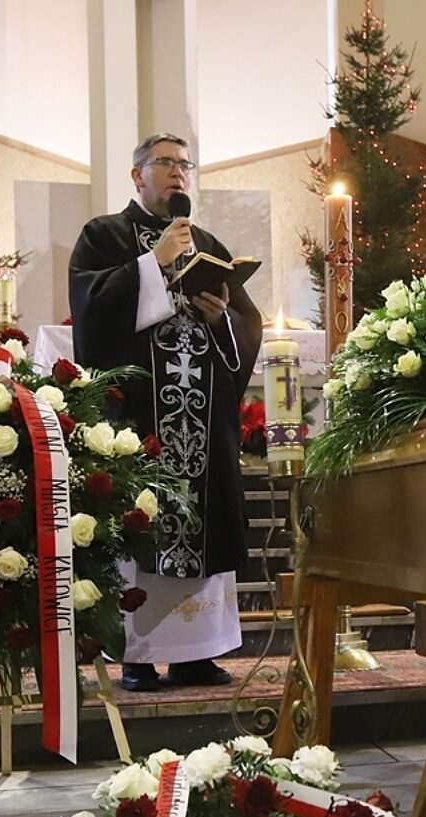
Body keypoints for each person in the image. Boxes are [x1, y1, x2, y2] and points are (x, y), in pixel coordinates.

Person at [67, 133, 262, 691]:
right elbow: (91, 316)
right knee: (141, 525)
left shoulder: (208, 243)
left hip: (202, 420)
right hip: (140, 419)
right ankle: (138, 655)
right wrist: (152, 264)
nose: (178, 172)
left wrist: (221, 316)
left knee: (203, 522)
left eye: (184, 164)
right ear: (137, 175)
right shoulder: (104, 235)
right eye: (165, 163)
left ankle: (197, 653)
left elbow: (246, 325)